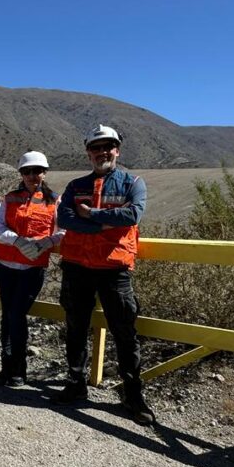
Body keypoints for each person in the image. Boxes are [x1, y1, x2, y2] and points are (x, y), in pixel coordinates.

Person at [52, 124, 154, 425]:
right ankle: (76, 383)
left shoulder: (132, 183)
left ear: (117, 150)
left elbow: (132, 215)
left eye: (108, 147)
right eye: (96, 148)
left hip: (114, 269)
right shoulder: (75, 186)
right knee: (75, 328)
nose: (102, 152)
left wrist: (92, 216)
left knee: (124, 333)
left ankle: (133, 395)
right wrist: (105, 224)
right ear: (88, 153)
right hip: (77, 267)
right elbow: (65, 217)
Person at [0, 151, 64, 387]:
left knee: (16, 314)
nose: (32, 176)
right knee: (8, 314)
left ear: (44, 173)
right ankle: (6, 367)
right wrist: (17, 240)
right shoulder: (10, 198)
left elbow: (62, 231)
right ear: (21, 174)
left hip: (32, 268)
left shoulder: (54, 201)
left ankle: (18, 369)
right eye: (27, 171)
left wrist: (47, 243)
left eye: (37, 171)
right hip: (5, 266)